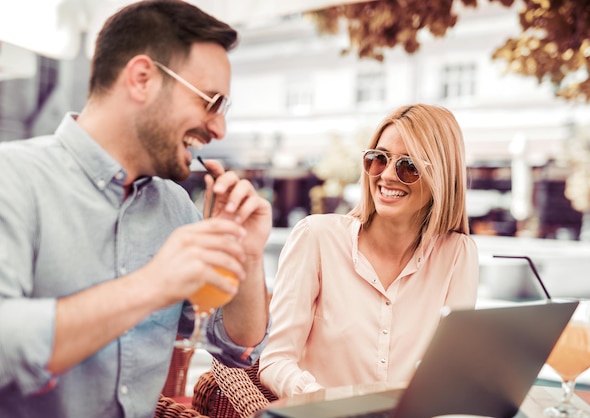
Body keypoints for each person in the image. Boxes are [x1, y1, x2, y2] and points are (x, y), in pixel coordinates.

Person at [0, 1, 272, 417]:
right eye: (210, 101)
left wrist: (249, 254)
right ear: (142, 78)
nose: (219, 129)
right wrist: (152, 285)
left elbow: (235, 346)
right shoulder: (13, 178)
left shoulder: (175, 205)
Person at [258, 104, 479, 398]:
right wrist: (325, 401)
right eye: (379, 159)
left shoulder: (457, 254)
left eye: (408, 166)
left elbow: (453, 369)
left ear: (441, 176)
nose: (387, 176)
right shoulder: (316, 238)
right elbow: (275, 361)